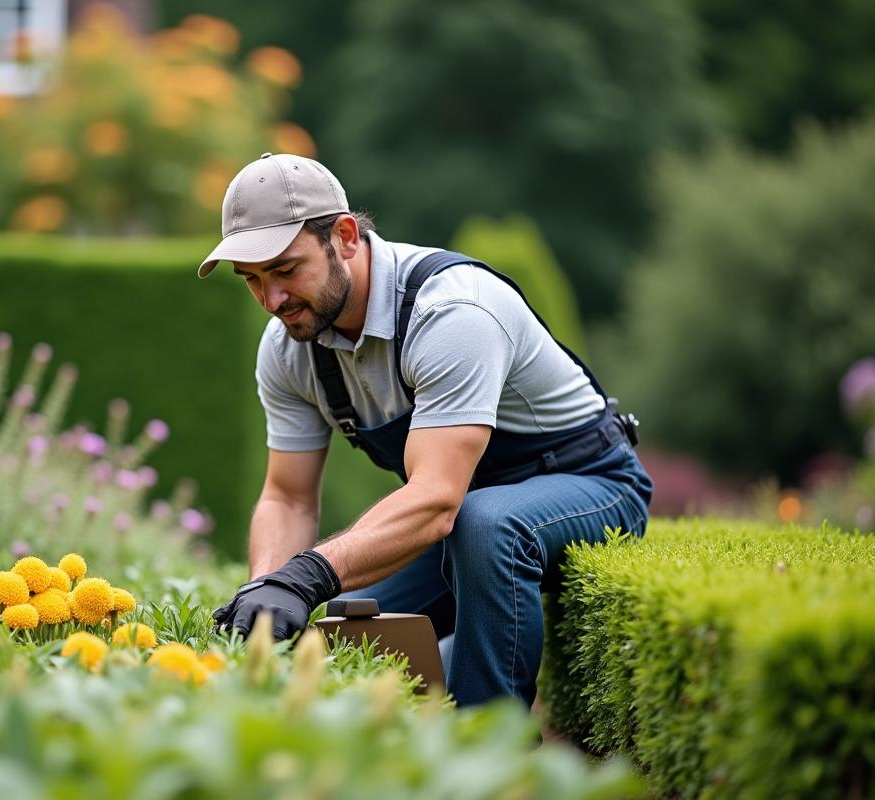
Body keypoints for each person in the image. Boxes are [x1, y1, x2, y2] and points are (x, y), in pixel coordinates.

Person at [204, 153, 653, 707]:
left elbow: (438, 499)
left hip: (590, 485)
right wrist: (267, 596)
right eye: (252, 280)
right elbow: (289, 497)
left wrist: (308, 574)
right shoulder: (288, 348)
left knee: (486, 524)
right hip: (461, 519)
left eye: (286, 270)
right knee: (345, 629)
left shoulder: (451, 313)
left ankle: (490, 749)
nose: (272, 301)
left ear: (344, 236)